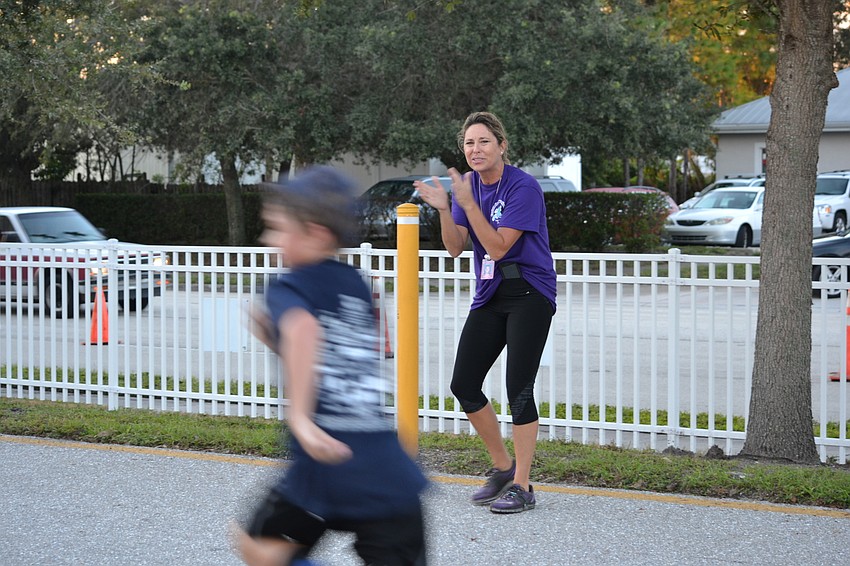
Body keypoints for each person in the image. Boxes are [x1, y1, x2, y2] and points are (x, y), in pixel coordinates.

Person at [231, 166, 428, 565]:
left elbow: (306, 332)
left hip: (322, 464)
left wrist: (302, 420)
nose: (268, 240)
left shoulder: (289, 285)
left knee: (259, 549)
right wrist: (277, 339)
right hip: (385, 467)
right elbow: (340, 355)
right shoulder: (357, 283)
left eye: (277, 229)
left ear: (316, 234)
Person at [415, 111, 556, 514]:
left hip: (530, 292)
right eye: (468, 144)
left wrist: (467, 203)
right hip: (491, 292)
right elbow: (457, 247)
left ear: (501, 146)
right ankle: (502, 468)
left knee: (519, 389)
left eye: (483, 142)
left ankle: (523, 486)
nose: (475, 150)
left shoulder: (523, 188)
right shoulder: (468, 188)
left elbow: (497, 248)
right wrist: (445, 208)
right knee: (464, 383)